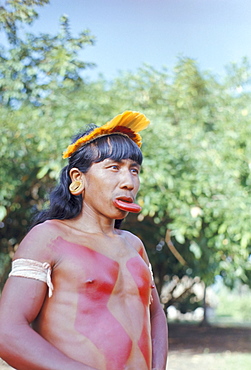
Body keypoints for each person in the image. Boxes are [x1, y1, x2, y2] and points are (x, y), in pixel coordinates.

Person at [0, 111, 168, 370]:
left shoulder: (134, 245)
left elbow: (155, 314)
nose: (128, 182)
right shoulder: (49, 237)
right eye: (114, 168)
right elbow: (7, 331)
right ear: (78, 179)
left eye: (134, 170)